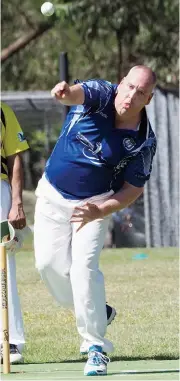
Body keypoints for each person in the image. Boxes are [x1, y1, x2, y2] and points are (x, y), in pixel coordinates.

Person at [34, 65, 157, 376]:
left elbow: (133, 188)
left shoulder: (143, 142)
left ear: (149, 99)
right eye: (129, 86)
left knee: (83, 269)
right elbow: (77, 93)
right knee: (47, 266)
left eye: (140, 92)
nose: (131, 96)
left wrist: (101, 211)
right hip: (52, 195)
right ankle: (99, 312)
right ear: (120, 83)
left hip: (94, 204)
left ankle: (96, 347)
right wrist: (65, 93)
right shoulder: (103, 94)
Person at [0, 102, 29, 363]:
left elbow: (15, 157)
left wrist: (17, 202)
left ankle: (10, 341)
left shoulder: (2, 111)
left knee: (3, 264)